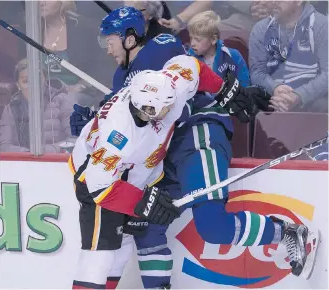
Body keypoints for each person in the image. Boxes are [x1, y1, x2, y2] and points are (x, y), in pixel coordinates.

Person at [71, 6, 316, 289]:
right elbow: (104, 171)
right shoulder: (121, 92)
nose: (106, 47)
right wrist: (92, 119)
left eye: (110, 39)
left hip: (196, 134)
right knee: (146, 227)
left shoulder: (160, 51)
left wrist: (226, 91)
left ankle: (287, 232)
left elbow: (193, 67)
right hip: (157, 155)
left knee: (212, 225)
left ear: (128, 38)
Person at [70, 49, 259, 288]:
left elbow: (194, 68)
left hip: (137, 172)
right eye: (163, 110)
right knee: (100, 253)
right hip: (96, 177)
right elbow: (99, 186)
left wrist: (222, 89)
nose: (171, 111)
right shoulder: (117, 137)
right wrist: (144, 203)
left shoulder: (169, 87)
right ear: (146, 111)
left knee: (123, 247)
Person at [249, 1, 328, 113]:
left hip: (312, 104)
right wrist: (275, 88)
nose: (273, 1)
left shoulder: (322, 25)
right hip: (273, 101)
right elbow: (256, 72)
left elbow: (327, 74)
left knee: (323, 104)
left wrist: (299, 95)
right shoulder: (260, 29)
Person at [0, 58, 74, 153]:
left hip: (57, 164)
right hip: (22, 164)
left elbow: (75, 140)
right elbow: (4, 146)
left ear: (45, 80)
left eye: (37, 80)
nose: (33, 86)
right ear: (18, 85)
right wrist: (29, 155)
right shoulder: (10, 108)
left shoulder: (61, 100)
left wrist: (43, 152)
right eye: (26, 81)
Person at [187, 10, 250, 87]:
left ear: (213, 39)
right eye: (191, 38)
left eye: (198, 39)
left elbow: (245, 84)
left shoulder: (233, 56)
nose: (192, 43)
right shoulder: (188, 59)